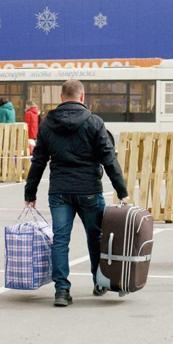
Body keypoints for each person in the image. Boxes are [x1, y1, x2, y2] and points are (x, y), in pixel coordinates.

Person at [24, 79, 129, 307]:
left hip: (60, 191)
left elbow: (38, 161)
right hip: (89, 189)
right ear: (82, 97)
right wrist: (122, 190)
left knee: (60, 240)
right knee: (96, 237)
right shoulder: (94, 122)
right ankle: (99, 281)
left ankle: (62, 290)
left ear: (62, 97)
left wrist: (30, 192)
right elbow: (108, 158)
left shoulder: (48, 124)